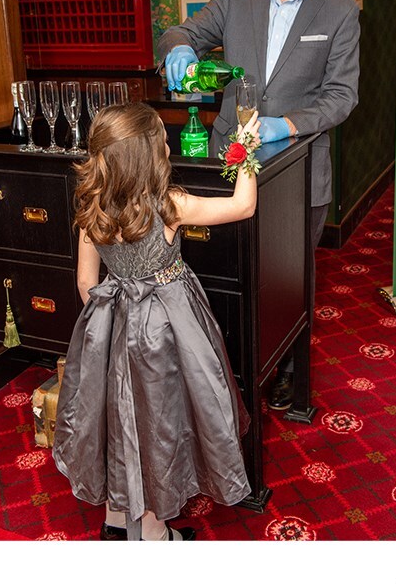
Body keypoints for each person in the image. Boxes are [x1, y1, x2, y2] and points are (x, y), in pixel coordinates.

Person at [157, 0, 360, 411]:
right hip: (228, 166)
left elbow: (342, 96)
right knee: (227, 268)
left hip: (298, 172)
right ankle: (228, 364)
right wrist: (179, 45)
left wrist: (285, 125)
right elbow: (185, 30)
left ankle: (289, 369)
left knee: (289, 280)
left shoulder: (339, 12)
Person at [53, 103, 262, 541]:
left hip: (111, 329)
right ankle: (154, 533)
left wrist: (110, 327)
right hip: (165, 334)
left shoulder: (93, 207)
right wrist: (244, 143)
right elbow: (243, 206)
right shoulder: (169, 205)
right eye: (162, 139)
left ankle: (115, 520)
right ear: (147, 158)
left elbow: (87, 282)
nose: (169, 142)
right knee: (158, 423)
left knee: (118, 420)